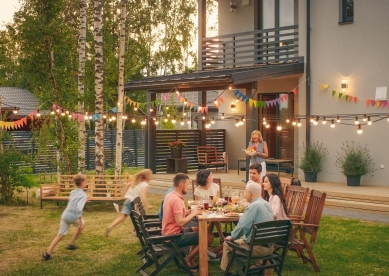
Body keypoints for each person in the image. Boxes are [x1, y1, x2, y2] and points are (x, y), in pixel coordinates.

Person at [162, 173, 214, 270]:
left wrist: (190, 210)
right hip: (173, 237)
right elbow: (180, 222)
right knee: (209, 237)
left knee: (200, 230)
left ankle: (191, 259)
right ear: (181, 184)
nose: (189, 187)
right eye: (188, 184)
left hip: (169, 233)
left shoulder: (171, 195)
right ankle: (187, 259)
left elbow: (178, 214)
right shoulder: (177, 200)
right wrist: (193, 214)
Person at [220, 182, 274, 272]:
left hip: (256, 249)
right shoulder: (267, 204)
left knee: (227, 244)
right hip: (270, 247)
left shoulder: (253, 206)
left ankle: (227, 272)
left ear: (250, 193)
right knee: (242, 238)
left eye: (245, 193)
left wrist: (232, 236)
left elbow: (242, 226)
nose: (244, 195)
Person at [42, 174, 88, 260]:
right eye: (85, 182)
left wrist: (85, 199)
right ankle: (71, 243)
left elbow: (74, 201)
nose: (86, 183)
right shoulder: (83, 195)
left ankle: (48, 252)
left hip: (65, 215)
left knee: (60, 234)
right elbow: (78, 209)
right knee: (82, 225)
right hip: (73, 216)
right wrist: (80, 223)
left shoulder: (72, 192)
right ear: (82, 183)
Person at [105, 169, 153, 237]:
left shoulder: (137, 182)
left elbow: (127, 185)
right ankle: (136, 231)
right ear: (147, 176)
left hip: (128, 200)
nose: (152, 176)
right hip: (135, 202)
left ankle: (111, 226)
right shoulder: (145, 185)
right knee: (140, 217)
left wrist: (127, 194)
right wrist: (148, 205)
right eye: (151, 175)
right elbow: (143, 195)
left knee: (123, 217)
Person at [194, 169, 225, 242]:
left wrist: (218, 203)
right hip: (203, 211)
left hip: (214, 209)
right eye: (211, 175)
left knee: (215, 216)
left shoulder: (216, 186)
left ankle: (209, 237)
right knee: (214, 218)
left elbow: (218, 200)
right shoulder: (198, 190)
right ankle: (221, 237)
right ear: (205, 178)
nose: (213, 177)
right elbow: (198, 204)